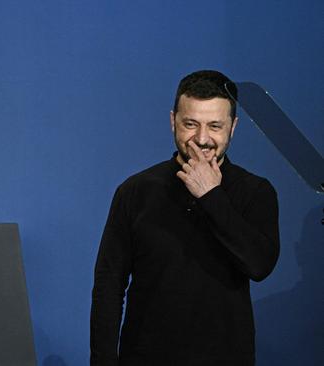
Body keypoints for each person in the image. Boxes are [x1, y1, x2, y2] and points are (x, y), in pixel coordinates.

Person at [90, 70, 279, 365]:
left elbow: (259, 265)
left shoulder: (255, 191)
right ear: (172, 121)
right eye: (191, 124)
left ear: (233, 127)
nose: (202, 139)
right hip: (145, 356)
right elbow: (108, 283)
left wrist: (212, 197)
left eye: (215, 126)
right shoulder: (136, 191)